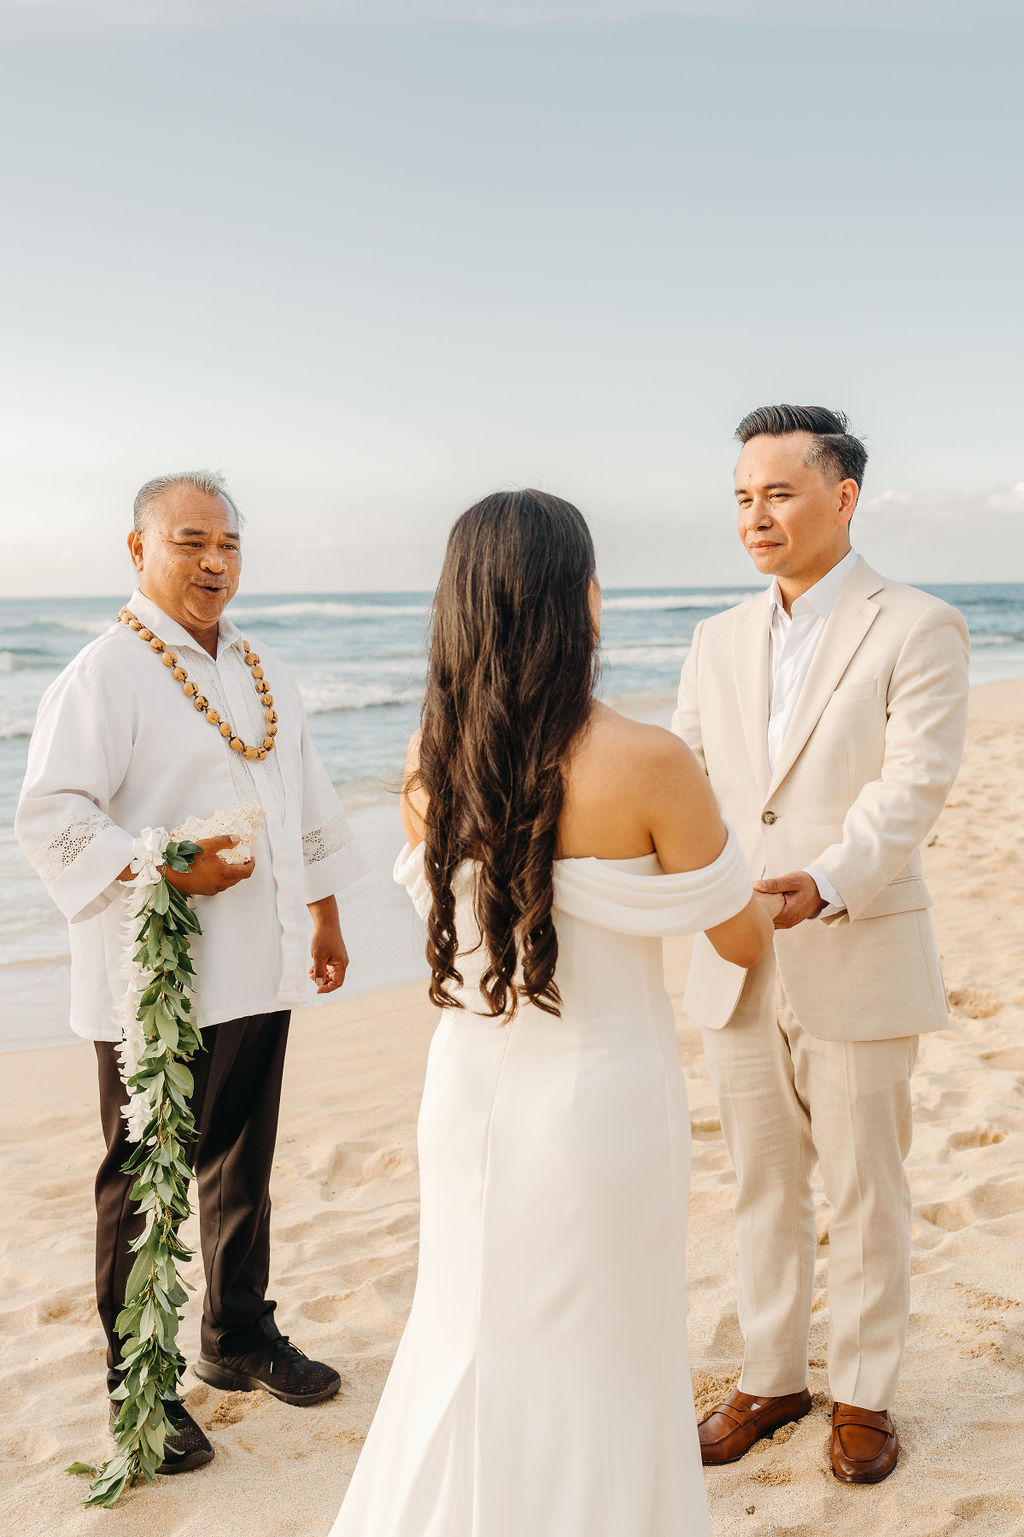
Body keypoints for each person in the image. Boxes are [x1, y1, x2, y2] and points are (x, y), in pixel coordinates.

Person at [328, 489, 779, 1537]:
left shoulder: (424, 764)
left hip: (468, 1092)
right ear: (580, 600)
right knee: (607, 1351)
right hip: (602, 1106)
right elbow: (739, 936)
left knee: (465, 1330)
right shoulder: (650, 761)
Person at [16, 470, 368, 1472]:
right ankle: (142, 1386)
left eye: (228, 545)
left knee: (242, 1160)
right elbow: (51, 816)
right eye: (189, 542)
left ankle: (237, 1335)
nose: (214, 562)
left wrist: (326, 914)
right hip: (152, 984)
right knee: (143, 1178)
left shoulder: (264, 670)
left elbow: (306, 797)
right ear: (139, 551)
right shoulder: (103, 673)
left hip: (259, 961)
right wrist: (169, 865)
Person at [672, 405, 969, 1484]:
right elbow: (692, 785)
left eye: (778, 492)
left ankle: (865, 1392)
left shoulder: (916, 624)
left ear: (840, 498)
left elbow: (914, 784)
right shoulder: (712, 640)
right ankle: (771, 1374)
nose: (755, 514)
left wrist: (832, 881)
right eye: (743, 495)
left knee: (864, 1186)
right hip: (734, 951)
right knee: (759, 1180)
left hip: (856, 939)